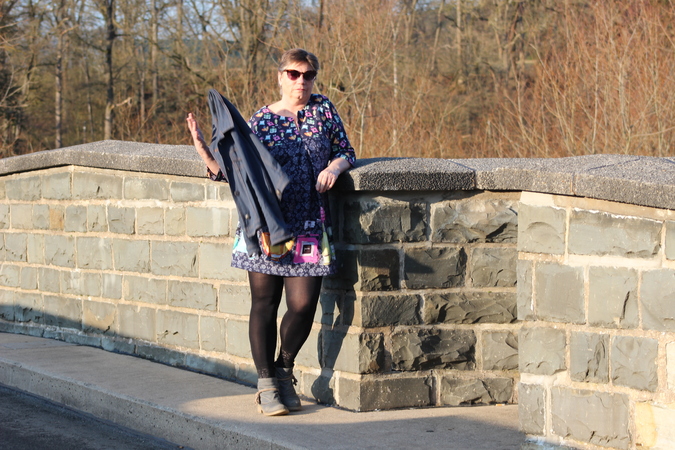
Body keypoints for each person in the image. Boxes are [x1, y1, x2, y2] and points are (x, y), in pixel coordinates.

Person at [187, 48, 355, 416]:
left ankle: (284, 369)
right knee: (264, 303)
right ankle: (266, 385)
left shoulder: (324, 110)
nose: (301, 81)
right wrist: (205, 153)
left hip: (310, 224)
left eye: (308, 75)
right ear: (280, 77)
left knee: (303, 305)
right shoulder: (262, 120)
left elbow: (346, 150)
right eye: (293, 74)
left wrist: (335, 167)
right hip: (265, 225)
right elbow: (239, 172)